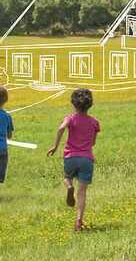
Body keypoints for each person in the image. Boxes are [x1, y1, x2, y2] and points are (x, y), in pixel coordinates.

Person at [47, 88, 100, 232]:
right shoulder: (94, 122)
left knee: (67, 177)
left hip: (70, 157)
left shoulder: (70, 118)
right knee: (82, 192)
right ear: (90, 104)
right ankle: (78, 221)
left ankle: (69, 186)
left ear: (73, 104)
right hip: (87, 160)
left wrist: (55, 146)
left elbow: (61, 128)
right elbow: (92, 143)